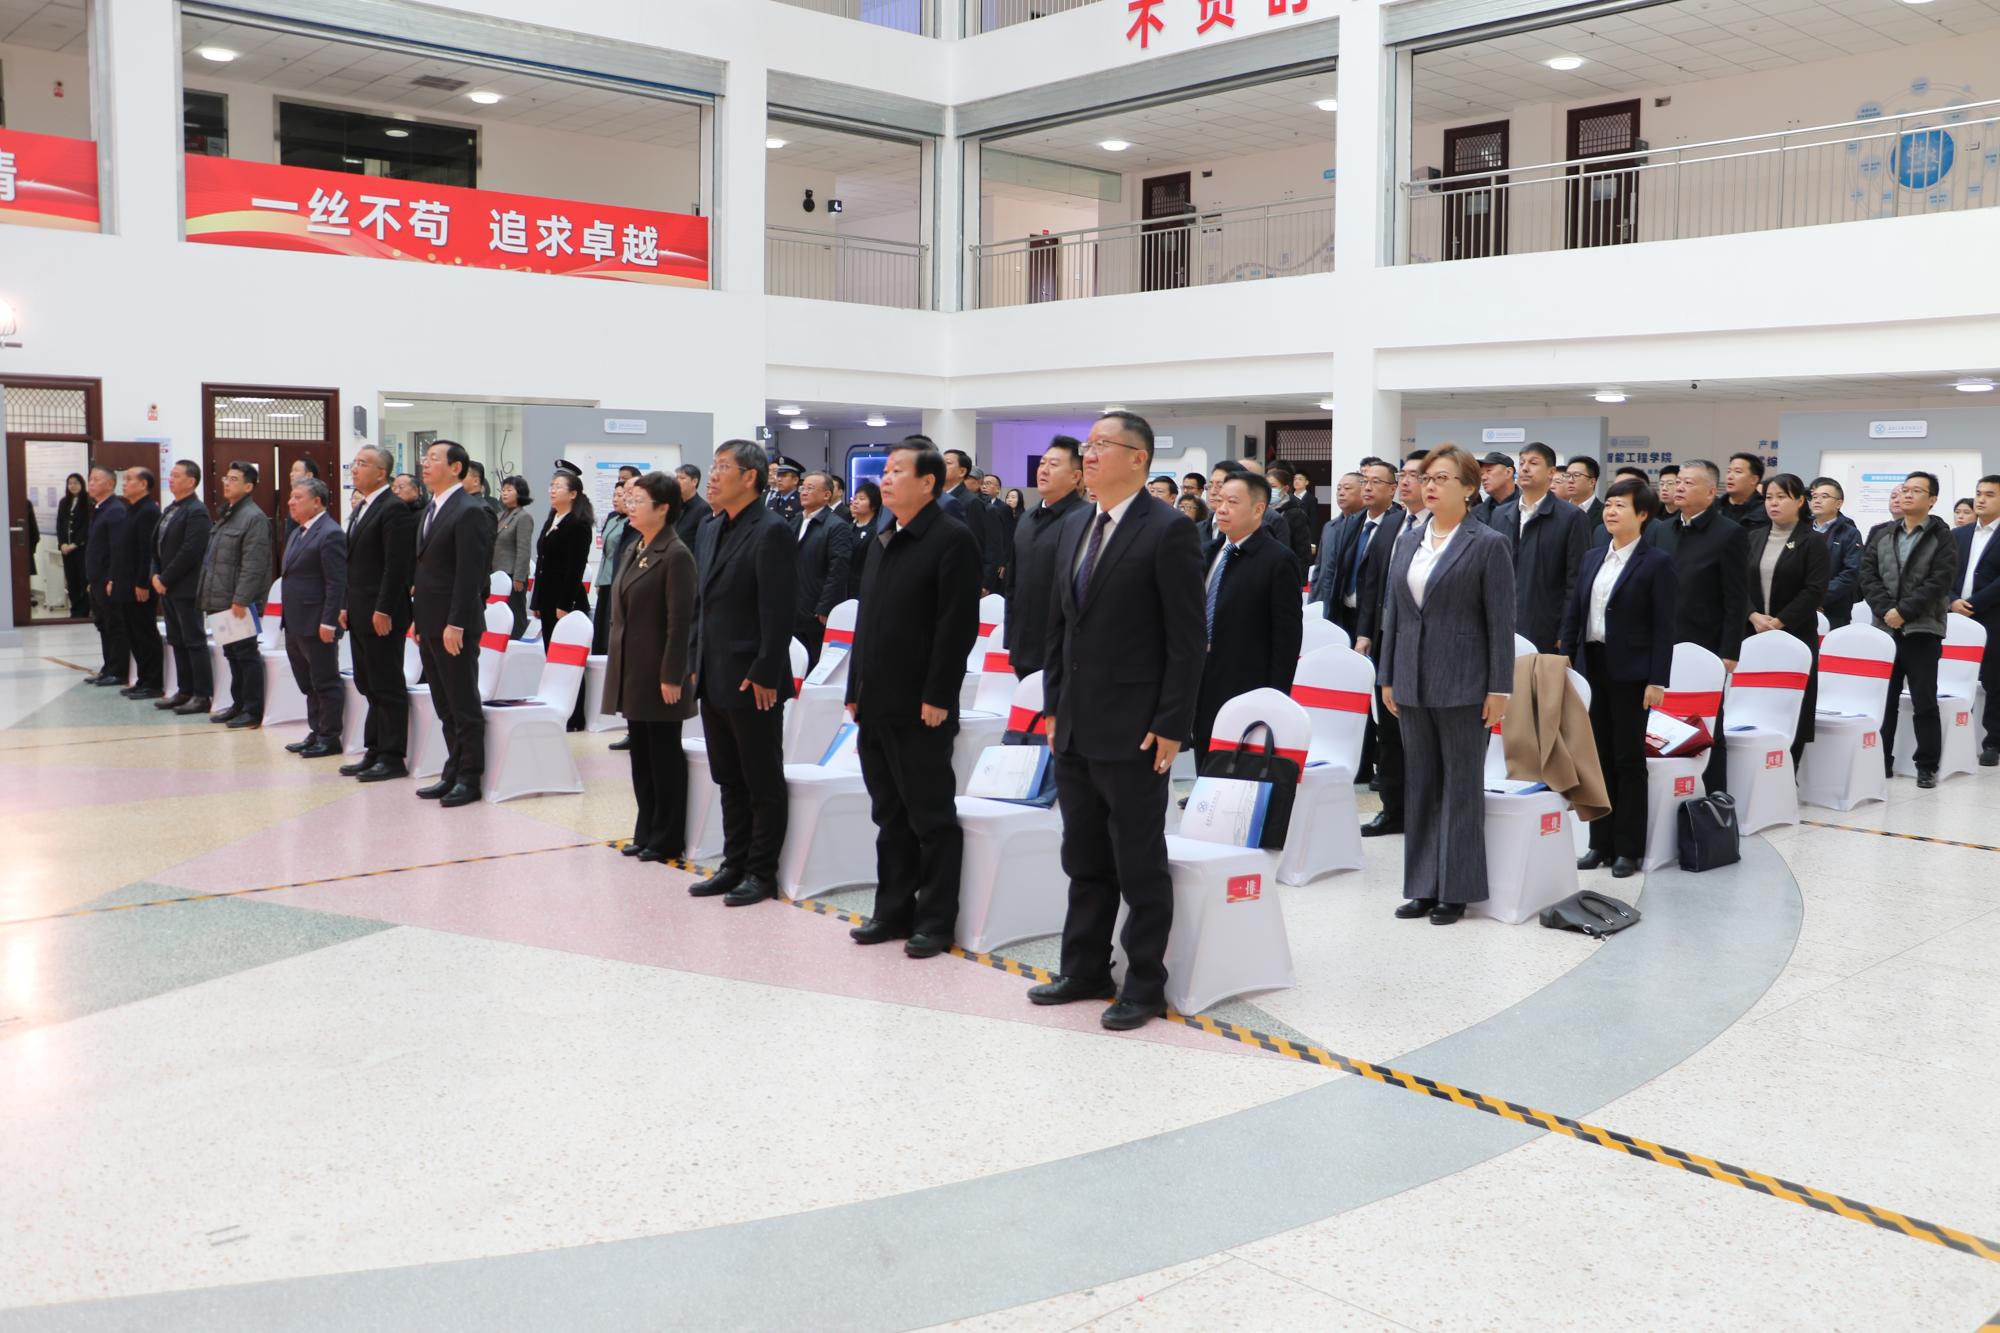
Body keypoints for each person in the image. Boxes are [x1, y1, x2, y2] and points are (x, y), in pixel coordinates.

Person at [1026, 410, 1204, 1032]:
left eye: (1103, 445)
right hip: (1075, 721)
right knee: (1084, 856)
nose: (1090, 455)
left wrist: (1172, 723)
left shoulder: (1169, 529)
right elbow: (1060, 626)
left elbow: (1187, 639)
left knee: (1138, 862)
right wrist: (1053, 705)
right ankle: (1084, 968)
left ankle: (1145, 983)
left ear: (1139, 458)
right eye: (1088, 444)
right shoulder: (1078, 522)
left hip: (1135, 726)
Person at [844, 440, 983, 956]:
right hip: (875, 700)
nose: (885, 478)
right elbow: (866, 622)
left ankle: (936, 921)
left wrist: (938, 695)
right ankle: (892, 911)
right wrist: (855, 687)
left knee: (931, 818)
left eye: (897, 471)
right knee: (889, 814)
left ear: (928, 482)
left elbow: (956, 626)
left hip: (922, 704)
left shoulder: (952, 539)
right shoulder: (885, 536)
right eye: (885, 470)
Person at [1378, 444, 1514, 925]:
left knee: (1460, 787)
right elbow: (1394, 614)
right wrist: (1387, 675)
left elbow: (1501, 622)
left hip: (1464, 682)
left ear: (1469, 488)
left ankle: (1455, 889)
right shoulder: (1408, 539)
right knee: (1421, 784)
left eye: (1441, 478)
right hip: (1410, 679)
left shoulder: (1487, 543)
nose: (1429, 486)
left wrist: (1499, 688)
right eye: (1425, 478)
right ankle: (1422, 885)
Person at [687, 440, 798, 907]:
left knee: (761, 779)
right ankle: (733, 863)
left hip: (753, 677)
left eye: (722, 467)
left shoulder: (771, 530)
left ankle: (761, 871)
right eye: (712, 466)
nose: (712, 476)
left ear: (750, 477)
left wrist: (767, 671)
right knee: (728, 776)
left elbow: (778, 609)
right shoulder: (711, 527)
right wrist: (694, 661)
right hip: (714, 670)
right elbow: (702, 604)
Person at [1560, 478, 1675, 879]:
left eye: (1620, 505)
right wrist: (1566, 659)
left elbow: (1664, 626)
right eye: (1608, 504)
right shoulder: (1593, 557)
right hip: (1591, 666)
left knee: (1628, 759)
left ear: (1642, 514)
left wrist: (1657, 679)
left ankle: (1628, 849)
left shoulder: (1656, 562)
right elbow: (1575, 613)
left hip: (1632, 673)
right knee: (1597, 758)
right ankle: (1600, 843)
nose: (1610, 511)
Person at [604, 471, 697, 862]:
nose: (631, 506)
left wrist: (672, 674)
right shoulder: (635, 547)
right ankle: (646, 829)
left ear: (663, 508)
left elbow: (680, 622)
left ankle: (667, 836)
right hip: (633, 670)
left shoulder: (675, 554)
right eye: (630, 499)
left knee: (663, 757)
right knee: (641, 756)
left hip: (659, 673)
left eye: (638, 500)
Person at [1647, 458, 1749, 794]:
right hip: (1662, 642)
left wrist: (1729, 650)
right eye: (1678, 481)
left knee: (1707, 723)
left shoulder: (1729, 533)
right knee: (1658, 719)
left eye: (1689, 483)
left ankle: (1714, 797)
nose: (1679, 487)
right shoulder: (1661, 530)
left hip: (1706, 643)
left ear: (1710, 492)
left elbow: (1736, 597)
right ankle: (1666, 792)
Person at [1859, 471, 1959, 788]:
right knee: (1884, 700)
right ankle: (1881, 761)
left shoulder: (1942, 537)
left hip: (1922, 630)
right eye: (1905, 490)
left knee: (1924, 700)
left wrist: (1903, 611)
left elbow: (1940, 580)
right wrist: (1886, 610)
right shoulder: (1882, 533)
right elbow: (1867, 575)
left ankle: (1926, 765)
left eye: (1916, 490)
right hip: (1885, 631)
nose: (1907, 495)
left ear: (1932, 500)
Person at [1193, 471, 1302, 758]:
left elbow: (1287, 636)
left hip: (1245, 682)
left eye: (1232, 502)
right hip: (1200, 678)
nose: (1222, 509)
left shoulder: (1277, 560)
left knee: (1240, 766)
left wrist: (1275, 696)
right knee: (1204, 757)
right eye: (1219, 500)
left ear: (1258, 509)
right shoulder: (1208, 552)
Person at [412, 440, 497, 807]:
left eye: (434, 458)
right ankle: (453, 769)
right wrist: (418, 620)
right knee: (444, 704)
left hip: (454, 624)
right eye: (425, 457)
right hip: (430, 620)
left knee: (462, 702)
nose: (425, 463)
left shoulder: (469, 510)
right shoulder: (431, 508)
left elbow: (469, 574)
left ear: (456, 467)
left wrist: (457, 623)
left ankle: (469, 777)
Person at [337, 444, 417, 782]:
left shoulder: (393, 509)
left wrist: (384, 607)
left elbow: (395, 566)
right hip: (359, 609)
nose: (355, 468)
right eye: (354, 463)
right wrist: (345, 604)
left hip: (383, 612)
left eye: (362, 463)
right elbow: (353, 564)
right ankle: (374, 749)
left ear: (381, 473)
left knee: (386, 683)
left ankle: (393, 756)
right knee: (367, 682)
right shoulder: (362, 508)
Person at [1745, 474, 1830, 767]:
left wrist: (1778, 622)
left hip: (1795, 634)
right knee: (1754, 699)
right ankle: (1755, 765)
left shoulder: (1813, 541)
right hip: (1753, 633)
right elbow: (1736, 585)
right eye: (1769, 497)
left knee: (1793, 702)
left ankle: (1788, 768)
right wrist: (1753, 615)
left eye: (1782, 497)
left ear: (1800, 501)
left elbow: (1814, 590)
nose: (1774, 503)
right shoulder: (1753, 537)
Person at [1354, 457, 1416, 820]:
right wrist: (1365, 631)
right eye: (1403, 475)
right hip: (1384, 635)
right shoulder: (1391, 524)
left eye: (1414, 476)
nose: (1406, 482)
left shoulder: (1441, 528)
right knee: (1388, 728)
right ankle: (1392, 809)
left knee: (1416, 731)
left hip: (1421, 641)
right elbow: (1372, 583)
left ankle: (1421, 809)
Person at [198, 461, 274, 729]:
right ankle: (238, 704)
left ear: (249, 486)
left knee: (245, 655)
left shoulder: (253, 517)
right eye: (226, 478)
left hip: (238, 601)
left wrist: (242, 598)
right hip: (221, 598)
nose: (227, 483)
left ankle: (252, 709)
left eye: (234, 479)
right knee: (231, 654)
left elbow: (254, 563)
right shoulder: (228, 513)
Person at [1494, 442, 1588, 653]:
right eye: (1522, 463)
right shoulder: (1500, 514)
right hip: (1502, 624)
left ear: (1551, 472)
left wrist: (1565, 631)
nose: (1525, 468)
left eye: (1534, 463)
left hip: (1546, 628)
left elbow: (1576, 580)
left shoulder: (1571, 517)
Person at [1002, 436, 1084, 680]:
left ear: (1076, 477)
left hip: (1063, 650)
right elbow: (1012, 582)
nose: (1044, 470)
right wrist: (1011, 638)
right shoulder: (1027, 518)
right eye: (1042, 463)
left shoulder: (1084, 519)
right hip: (1023, 645)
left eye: (1054, 464)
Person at [278, 476, 347, 758]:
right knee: (307, 682)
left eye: (298, 497)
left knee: (324, 680)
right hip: (295, 620)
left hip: (317, 621)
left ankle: (330, 736)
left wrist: (329, 621)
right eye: (291, 497)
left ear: (317, 502)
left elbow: (336, 582)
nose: (291, 502)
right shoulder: (298, 531)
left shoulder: (330, 533)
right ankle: (315, 730)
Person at [149, 460, 213, 715]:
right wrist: (155, 574)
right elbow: (157, 545)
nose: (170, 478)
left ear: (191, 481)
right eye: (171, 474)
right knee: (176, 639)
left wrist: (165, 579)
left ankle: (202, 694)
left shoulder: (197, 511)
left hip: (185, 587)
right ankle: (184, 690)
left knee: (193, 640)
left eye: (176, 475)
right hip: (167, 586)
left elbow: (191, 551)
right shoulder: (171, 508)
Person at [536, 469, 596, 728]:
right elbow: (542, 563)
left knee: (569, 660)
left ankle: (576, 715)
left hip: (566, 601)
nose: (552, 490)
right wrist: (536, 601)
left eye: (558, 486)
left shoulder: (578, 524)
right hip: (548, 599)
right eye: (551, 485)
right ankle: (557, 706)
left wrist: (565, 604)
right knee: (553, 657)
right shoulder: (553, 517)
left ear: (573, 494)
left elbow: (575, 568)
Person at [1951, 475, 2000, 766]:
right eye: (1979, 493)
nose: (1981, 499)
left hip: (1993, 617)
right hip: (1956, 618)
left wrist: (1973, 603)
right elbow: (1942, 572)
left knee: (1994, 680)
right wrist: (1952, 600)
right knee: (1956, 677)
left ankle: (1993, 740)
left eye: (1990, 494)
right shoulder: (1959, 534)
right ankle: (1957, 736)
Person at [792, 470, 854, 667]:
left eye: (810, 488)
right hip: (794, 605)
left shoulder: (836, 526)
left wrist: (826, 606)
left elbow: (838, 570)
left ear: (827, 494)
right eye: (802, 488)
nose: (804, 492)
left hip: (816, 608)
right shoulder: (795, 521)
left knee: (815, 661)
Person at [115, 468, 164, 701]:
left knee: (145, 632)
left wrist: (143, 583)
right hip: (127, 582)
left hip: (140, 584)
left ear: (143, 484)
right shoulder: (131, 509)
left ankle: (153, 682)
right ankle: (143, 679)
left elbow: (147, 552)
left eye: (129, 480)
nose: (124, 483)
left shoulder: (149, 511)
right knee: (133, 633)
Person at [1809, 476, 1865, 628]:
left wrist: (1818, 598)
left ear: (1838, 503)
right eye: (1814, 497)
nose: (1817, 500)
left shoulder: (1850, 533)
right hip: (1798, 608)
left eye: (1824, 496)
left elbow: (1851, 573)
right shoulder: (1801, 529)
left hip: (1834, 610)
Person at [938, 447, 995, 591]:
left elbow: (979, 543)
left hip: (960, 576)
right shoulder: (935, 497)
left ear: (962, 471)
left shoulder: (971, 502)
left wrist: (984, 581)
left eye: (947, 463)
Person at [491, 476, 533, 638]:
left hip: (512, 574)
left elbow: (524, 549)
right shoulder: (500, 515)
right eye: (503, 490)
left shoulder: (523, 517)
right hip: (497, 572)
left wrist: (519, 577)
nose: (504, 493)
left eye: (509, 490)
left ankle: (517, 641)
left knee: (515, 612)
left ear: (520, 493)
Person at [1264, 462, 1316, 578]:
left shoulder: (1295, 511)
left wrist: (1298, 579)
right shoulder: (1261, 509)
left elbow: (1303, 550)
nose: (1269, 490)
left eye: (1273, 486)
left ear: (1285, 488)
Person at [56, 472, 92, 617]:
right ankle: (75, 610)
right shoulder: (64, 502)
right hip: (66, 550)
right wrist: (62, 544)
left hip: (81, 548)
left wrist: (75, 544)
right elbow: (59, 524)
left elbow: (87, 526)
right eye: (70, 483)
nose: (73, 486)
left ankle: (84, 611)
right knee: (71, 581)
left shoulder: (88, 501)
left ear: (82, 484)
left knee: (84, 579)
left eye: (76, 483)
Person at [848, 479, 884, 588]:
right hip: (847, 585)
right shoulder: (848, 528)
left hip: (868, 584)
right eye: (855, 498)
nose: (855, 502)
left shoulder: (879, 530)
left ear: (874, 505)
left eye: (861, 499)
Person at [1720, 453, 1770, 530]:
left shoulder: (1766, 511)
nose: (1730, 476)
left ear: (1754, 479)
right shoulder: (1714, 506)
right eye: (1729, 471)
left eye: (1738, 471)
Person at [675, 463, 712, 556]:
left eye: (682, 478)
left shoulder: (704, 508)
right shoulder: (674, 505)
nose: (677, 481)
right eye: (676, 478)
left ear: (694, 482)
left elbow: (703, 542)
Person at [1475, 451, 1517, 525]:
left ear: (1508, 472)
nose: (1483, 478)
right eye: (1481, 474)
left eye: (1489, 471)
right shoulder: (1476, 513)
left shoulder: (1528, 507)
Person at [1564, 456, 1604, 533]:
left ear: (1592, 482)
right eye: (1567, 475)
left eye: (1576, 475)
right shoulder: (1557, 511)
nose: (1570, 480)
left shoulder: (1604, 513)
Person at [765, 460, 804, 525]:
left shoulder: (801, 501)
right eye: (778, 475)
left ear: (795, 480)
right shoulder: (773, 498)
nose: (779, 479)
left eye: (784, 476)